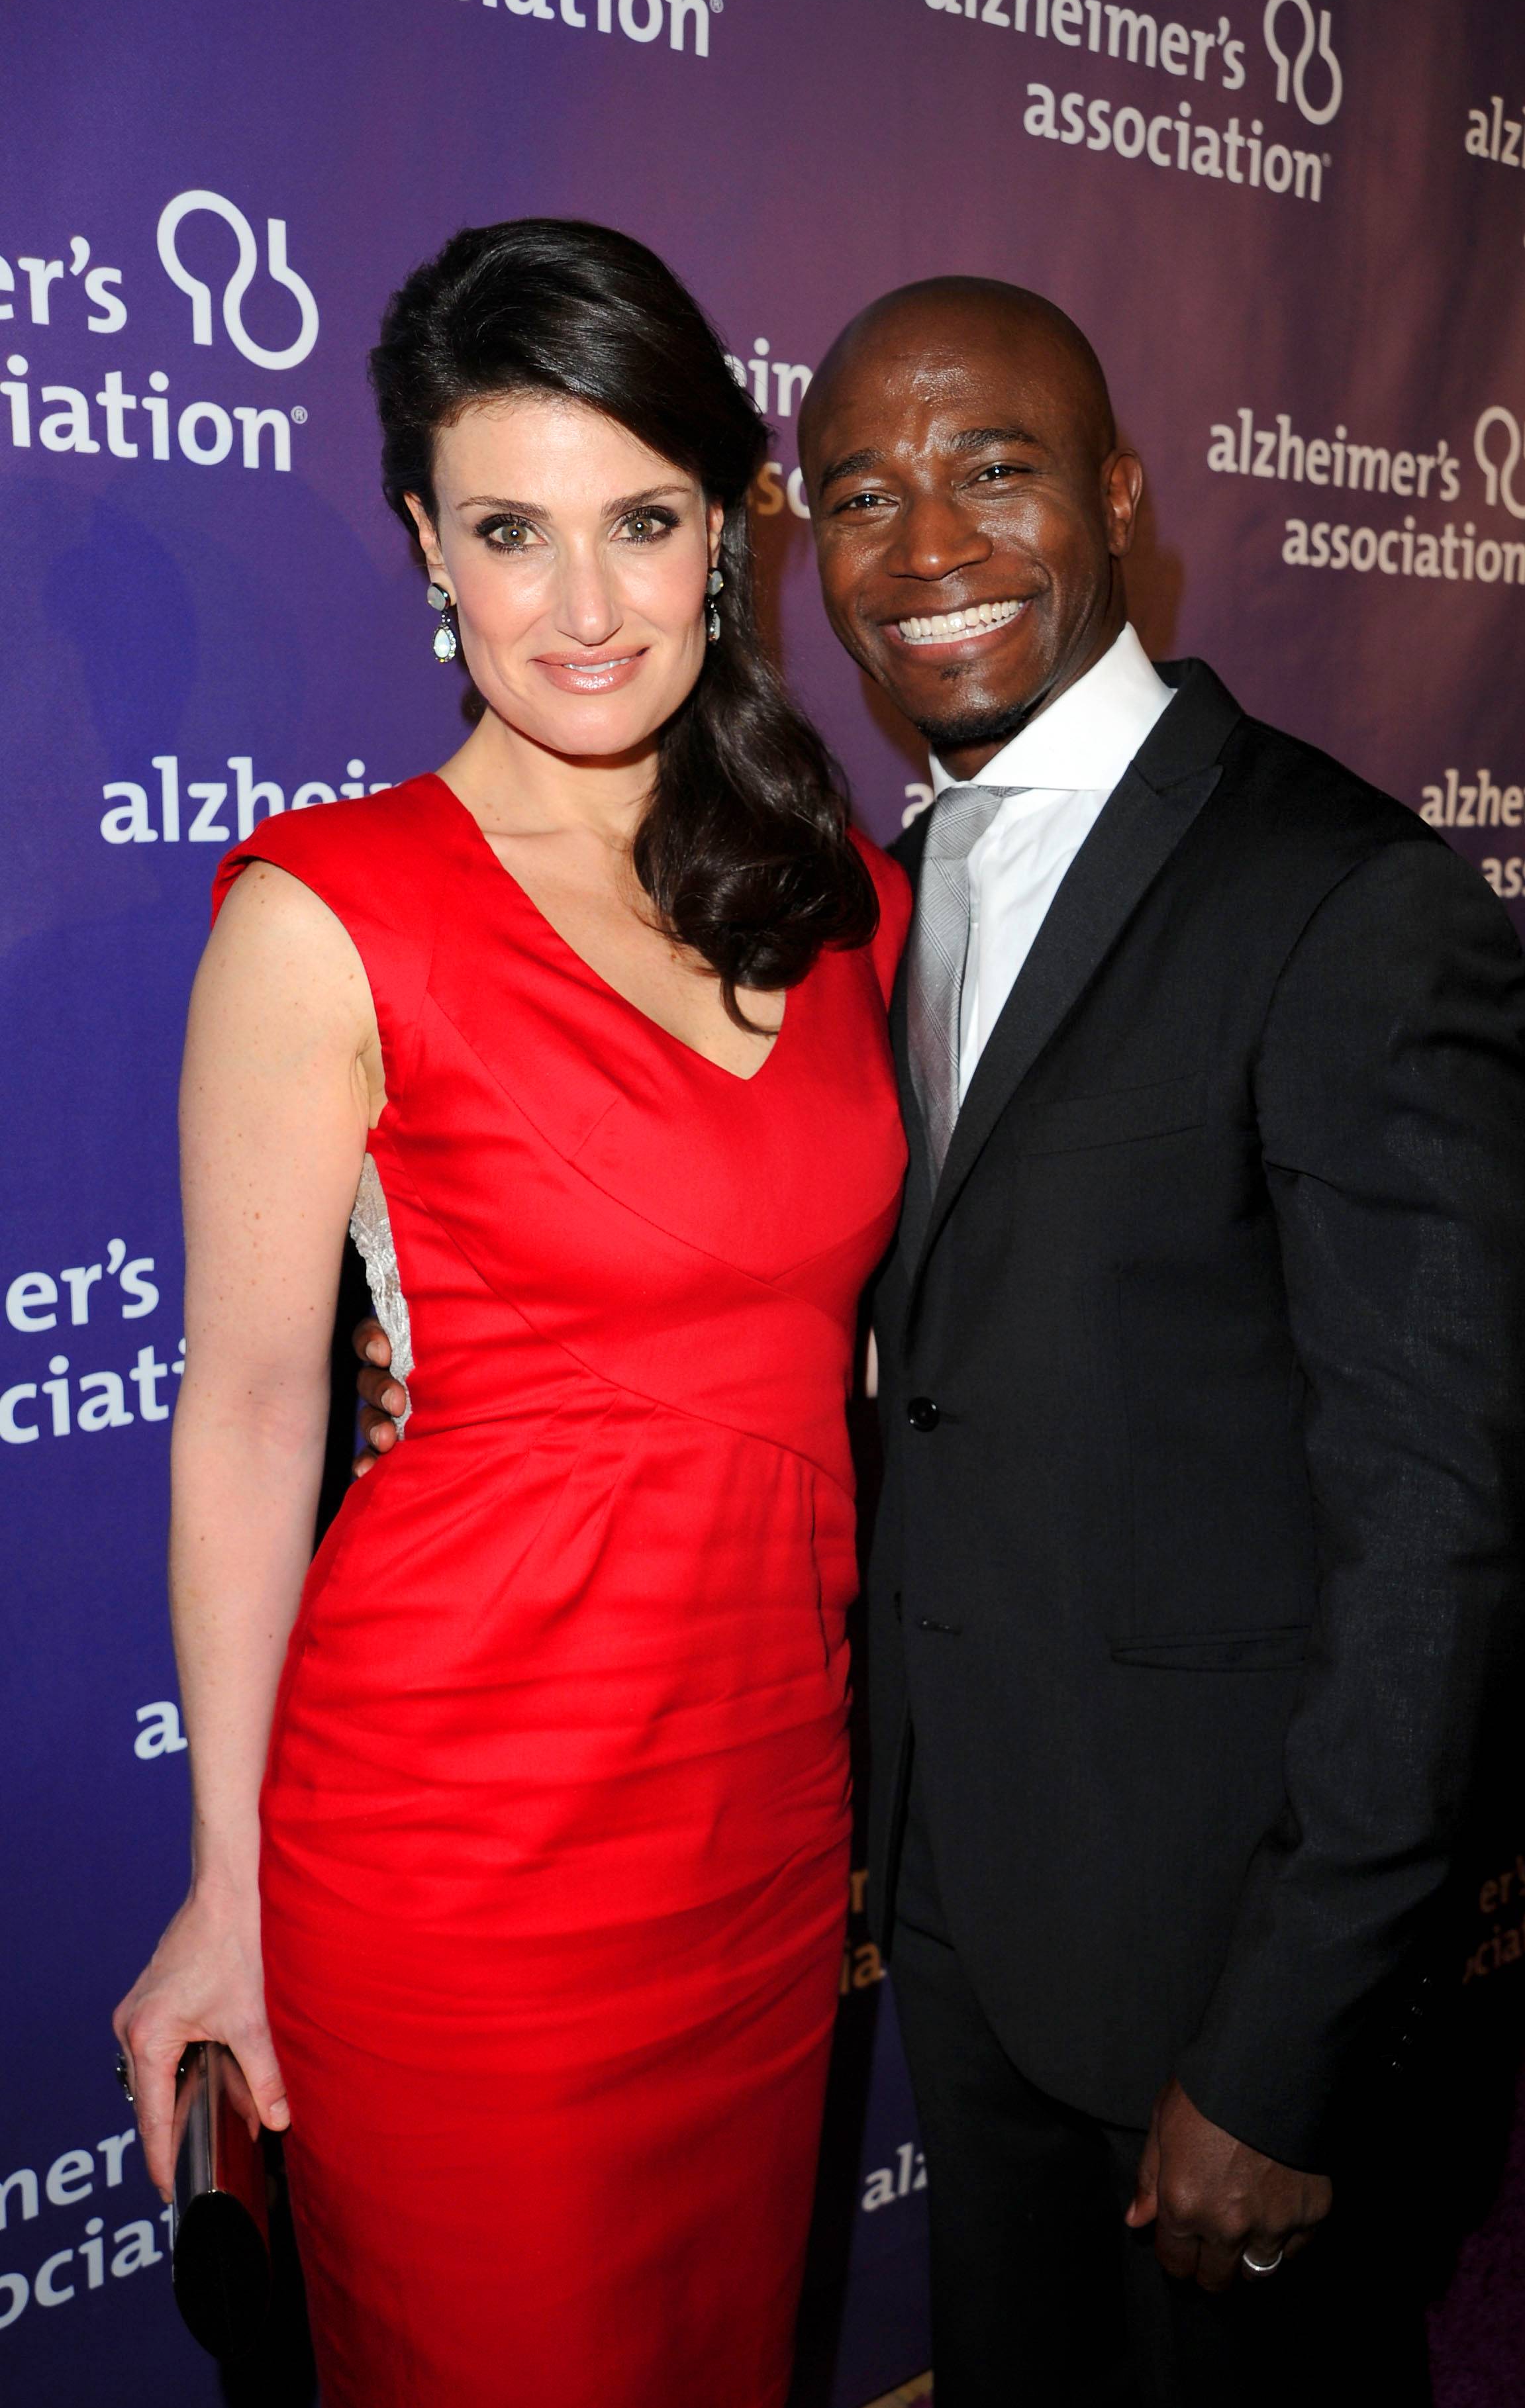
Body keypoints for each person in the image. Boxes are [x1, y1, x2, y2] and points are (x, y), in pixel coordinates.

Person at [362, 275, 1525, 2403]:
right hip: (958, 1908)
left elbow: (1444, 1534)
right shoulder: (865, 898)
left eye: (994, 471)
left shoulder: (1346, 899)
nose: (924, 549)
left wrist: (1287, 2046)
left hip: (1215, 1965)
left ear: (1117, 497)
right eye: (858, 496)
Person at [113, 219, 911, 2408]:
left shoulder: (842, 898)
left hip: (760, 1835)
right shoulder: (327, 910)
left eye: (642, 522)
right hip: (463, 1862)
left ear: (725, 530)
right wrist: (226, 1884)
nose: (583, 606)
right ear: (424, 548)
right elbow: (256, 1412)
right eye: (509, 530)